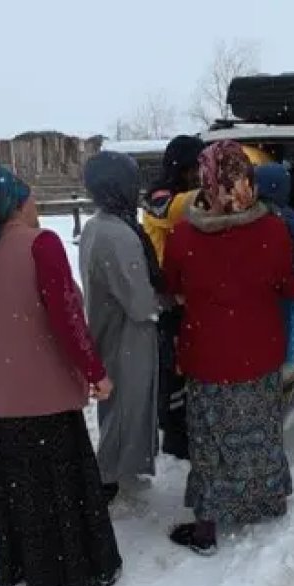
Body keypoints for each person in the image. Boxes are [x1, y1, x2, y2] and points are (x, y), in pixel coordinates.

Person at [0, 159, 122, 586]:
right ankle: (78, 575)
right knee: (64, 492)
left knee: (24, 493)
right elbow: (67, 317)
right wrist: (95, 372)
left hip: (1, 398)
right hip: (44, 395)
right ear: (14, 203)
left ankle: (32, 570)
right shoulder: (40, 244)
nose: (36, 204)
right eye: (29, 196)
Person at [162, 140, 294, 555]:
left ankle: (206, 528)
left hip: (207, 358)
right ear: (247, 177)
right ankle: (268, 500)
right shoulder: (273, 229)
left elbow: (172, 286)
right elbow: (287, 283)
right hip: (259, 354)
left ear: (205, 180)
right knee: (259, 433)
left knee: (211, 442)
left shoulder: (184, 235)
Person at [78, 151, 162, 502]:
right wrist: (166, 301)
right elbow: (140, 302)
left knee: (117, 406)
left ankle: (118, 469)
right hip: (127, 333)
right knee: (127, 405)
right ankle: (107, 476)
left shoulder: (98, 225)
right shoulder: (117, 234)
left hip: (108, 328)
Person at [142, 135, 206, 460]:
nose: (200, 173)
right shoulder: (160, 195)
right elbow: (174, 210)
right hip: (166, 296)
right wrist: (217, 187)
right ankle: (175, 434)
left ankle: (184, 427)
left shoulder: (185, 195)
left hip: (187, 295)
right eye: (197, 166)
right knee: (174, 369)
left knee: (189, 365)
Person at [254, 162, 294, 383]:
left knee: (280, 321)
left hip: (273, 283)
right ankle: (285, 364)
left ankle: (280, 364)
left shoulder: (256, 214)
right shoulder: (288, 216)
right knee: (288, 321)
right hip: (282, 282)